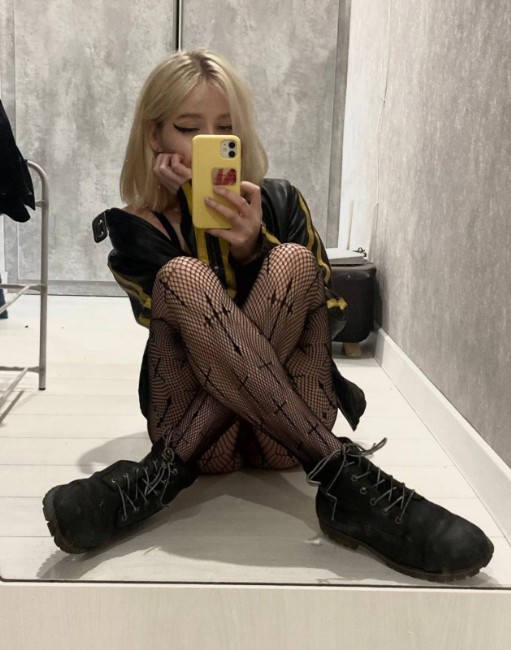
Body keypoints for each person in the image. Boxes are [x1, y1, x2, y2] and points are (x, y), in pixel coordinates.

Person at [42, 49, 493, 582]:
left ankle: (156, 477)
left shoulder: (280, 202)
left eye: (225, 129)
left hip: (282, 439)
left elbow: (331, 312)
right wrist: (194, 211)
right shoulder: (134, 230)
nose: (209, 142)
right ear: (154, 136)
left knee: (293, 260)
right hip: (205, 442)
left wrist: (254, 246)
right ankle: (345, 480)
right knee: (182, 276)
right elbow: (178, 321)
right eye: (189, 128)